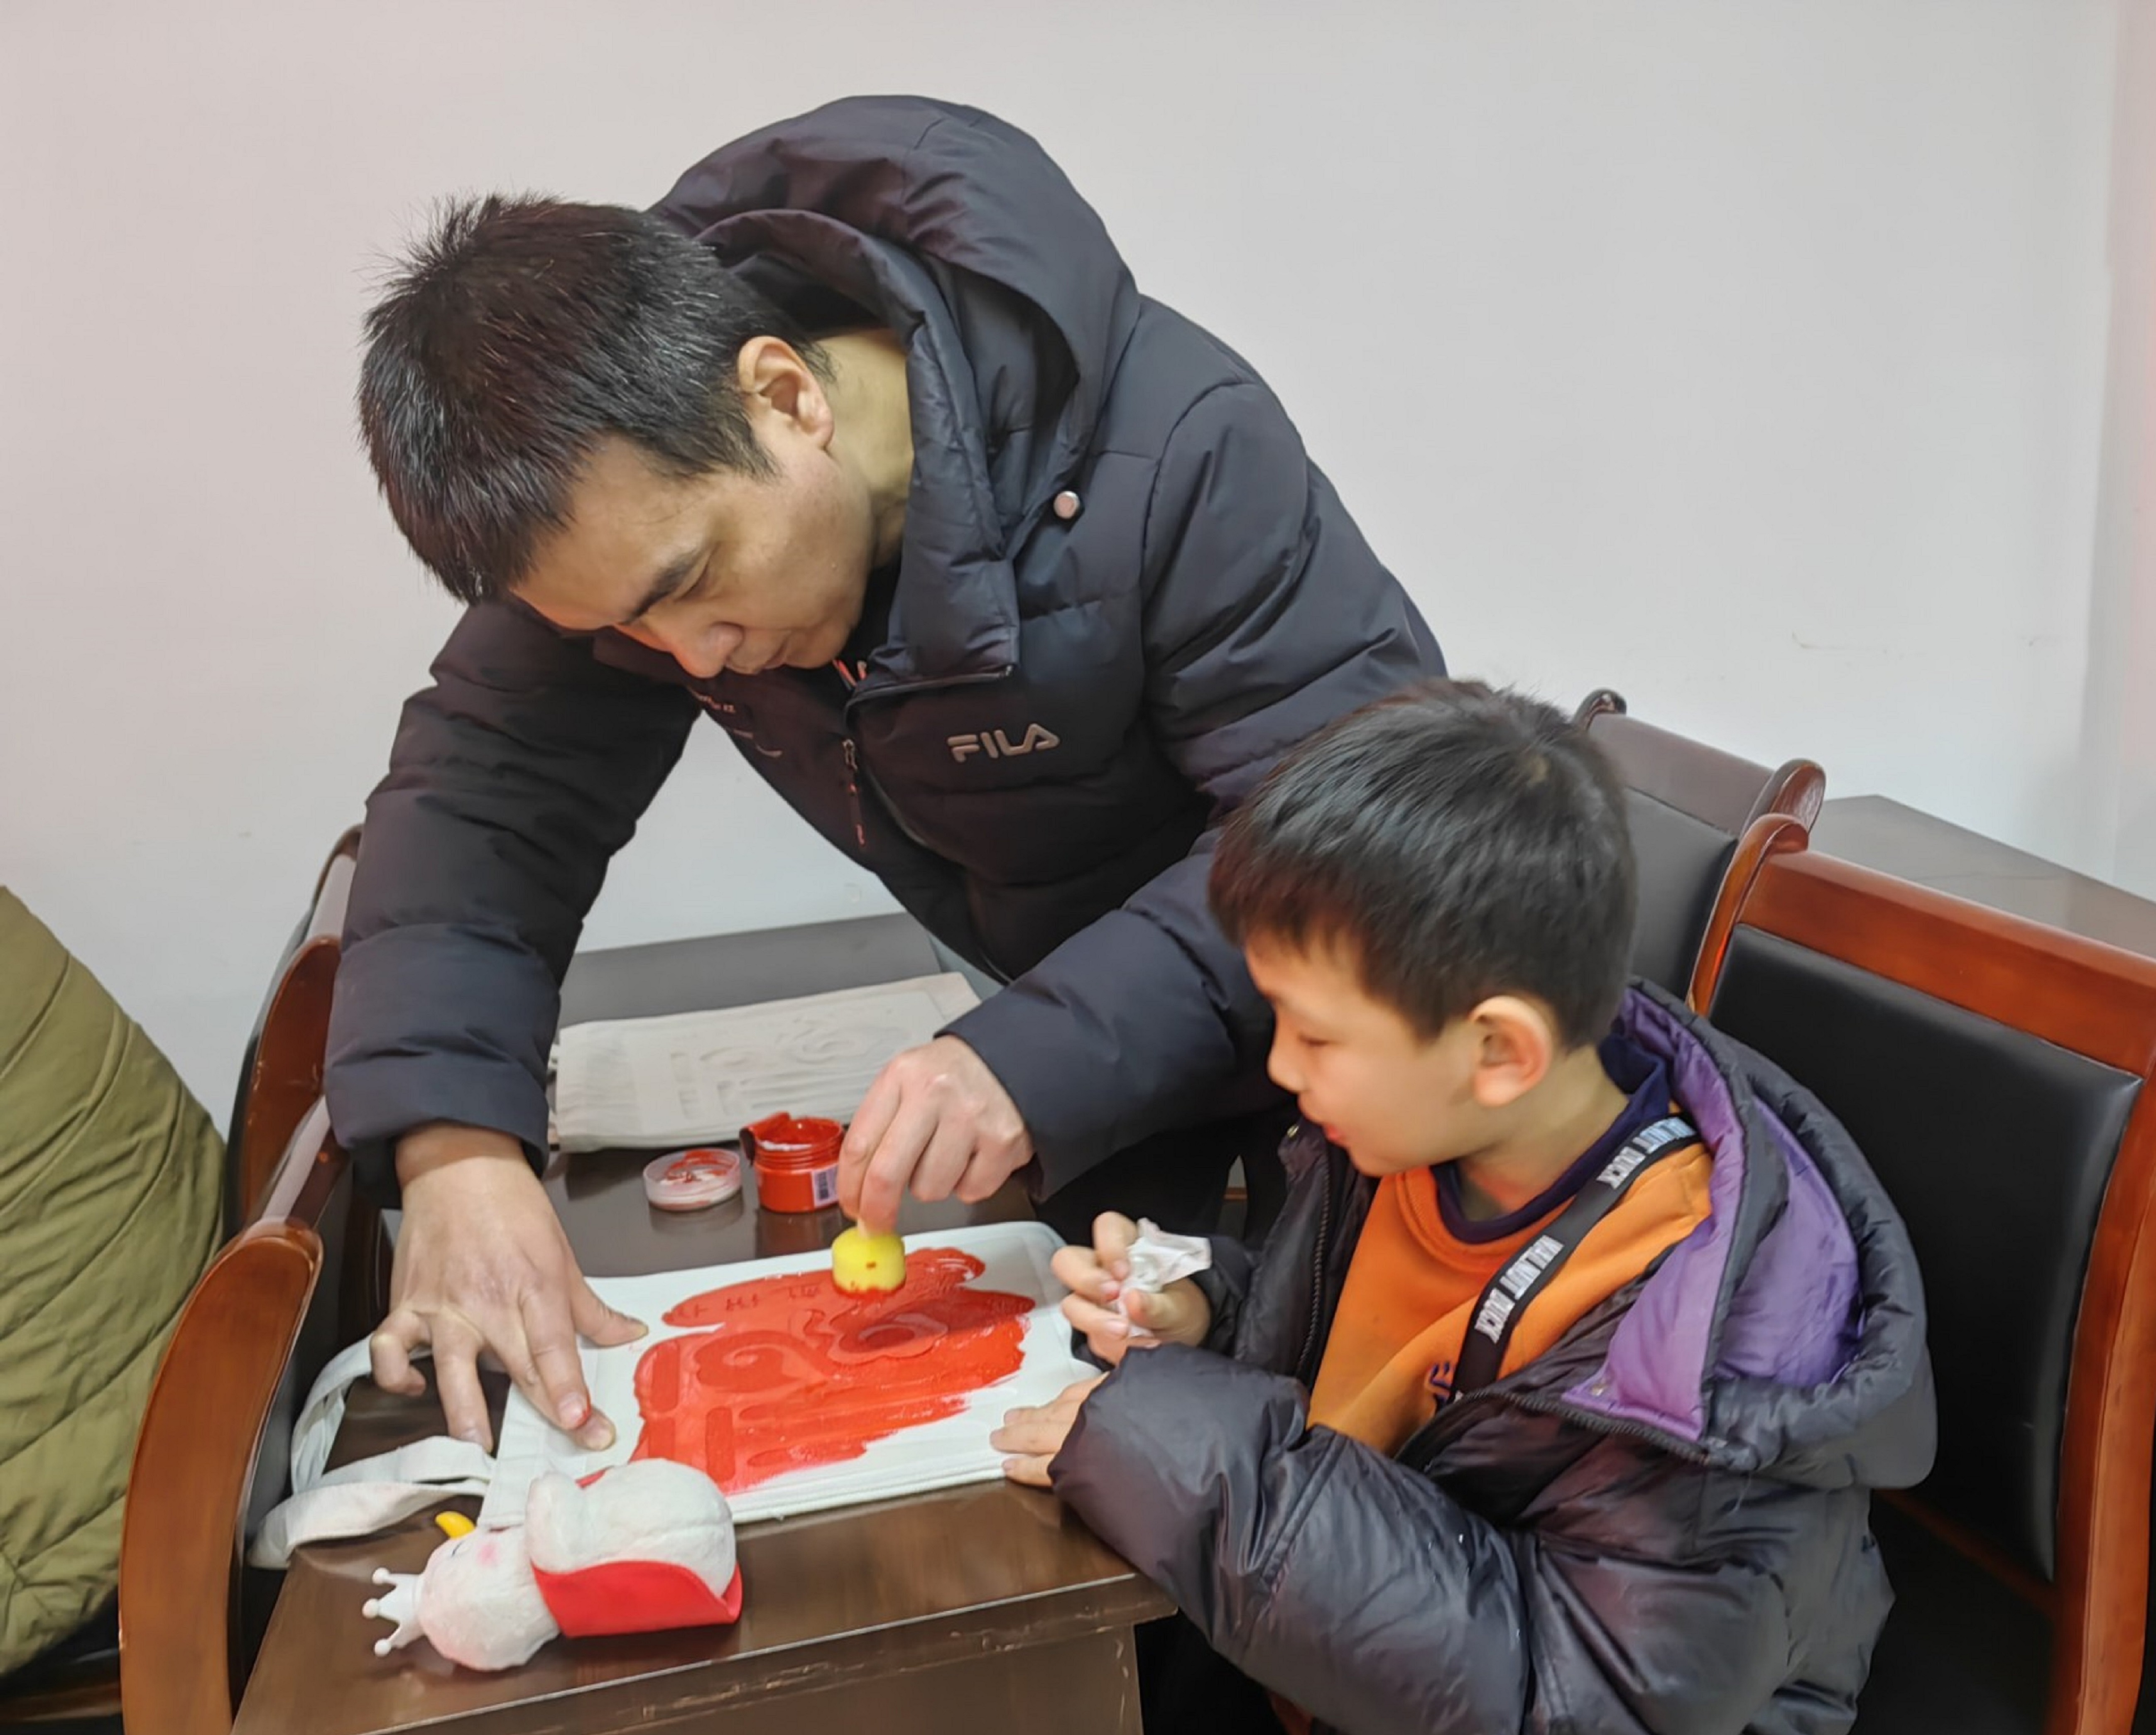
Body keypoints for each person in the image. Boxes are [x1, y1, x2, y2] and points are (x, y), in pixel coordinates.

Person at [328, 96, 1441, 1453]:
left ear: (785, 397)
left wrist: (1028, 1057)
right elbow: (485, 798)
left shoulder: (1175, 447)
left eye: (692, 585)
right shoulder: (618, 499)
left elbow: (1353, 832)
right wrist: (453, 1146)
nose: (691, 655)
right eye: (626, 629)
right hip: (1109, 1088)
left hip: (1355, 1083)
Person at [994, 682, 1936, 1735]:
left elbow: (1564, 1699)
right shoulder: (1415, 1138)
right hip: (1352, 1712)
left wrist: (1182, 1444)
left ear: (1499, 1050)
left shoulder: (1708, 1363)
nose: (1281, 1069)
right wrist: (1209, 1315)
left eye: (1314, 1035)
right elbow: (1372, 1364)